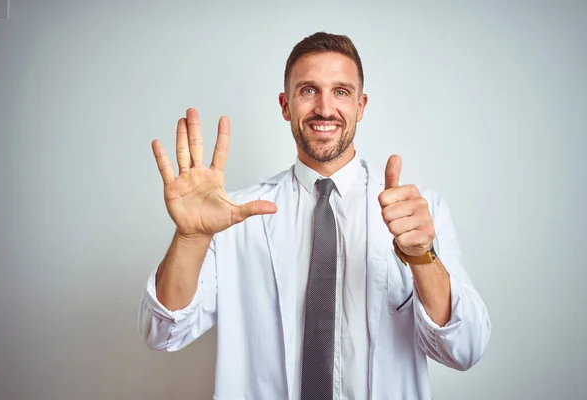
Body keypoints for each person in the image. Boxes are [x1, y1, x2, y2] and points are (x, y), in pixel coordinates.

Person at [138, 31, 491, 400]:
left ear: (361, 105)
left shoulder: (420, 213)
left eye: (341, 91)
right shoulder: (231, 217)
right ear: (285, 105)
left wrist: (422, 257)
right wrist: (190, 239)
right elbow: (162, 334)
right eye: (308, 90)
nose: (325, 108)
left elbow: (465, 349)